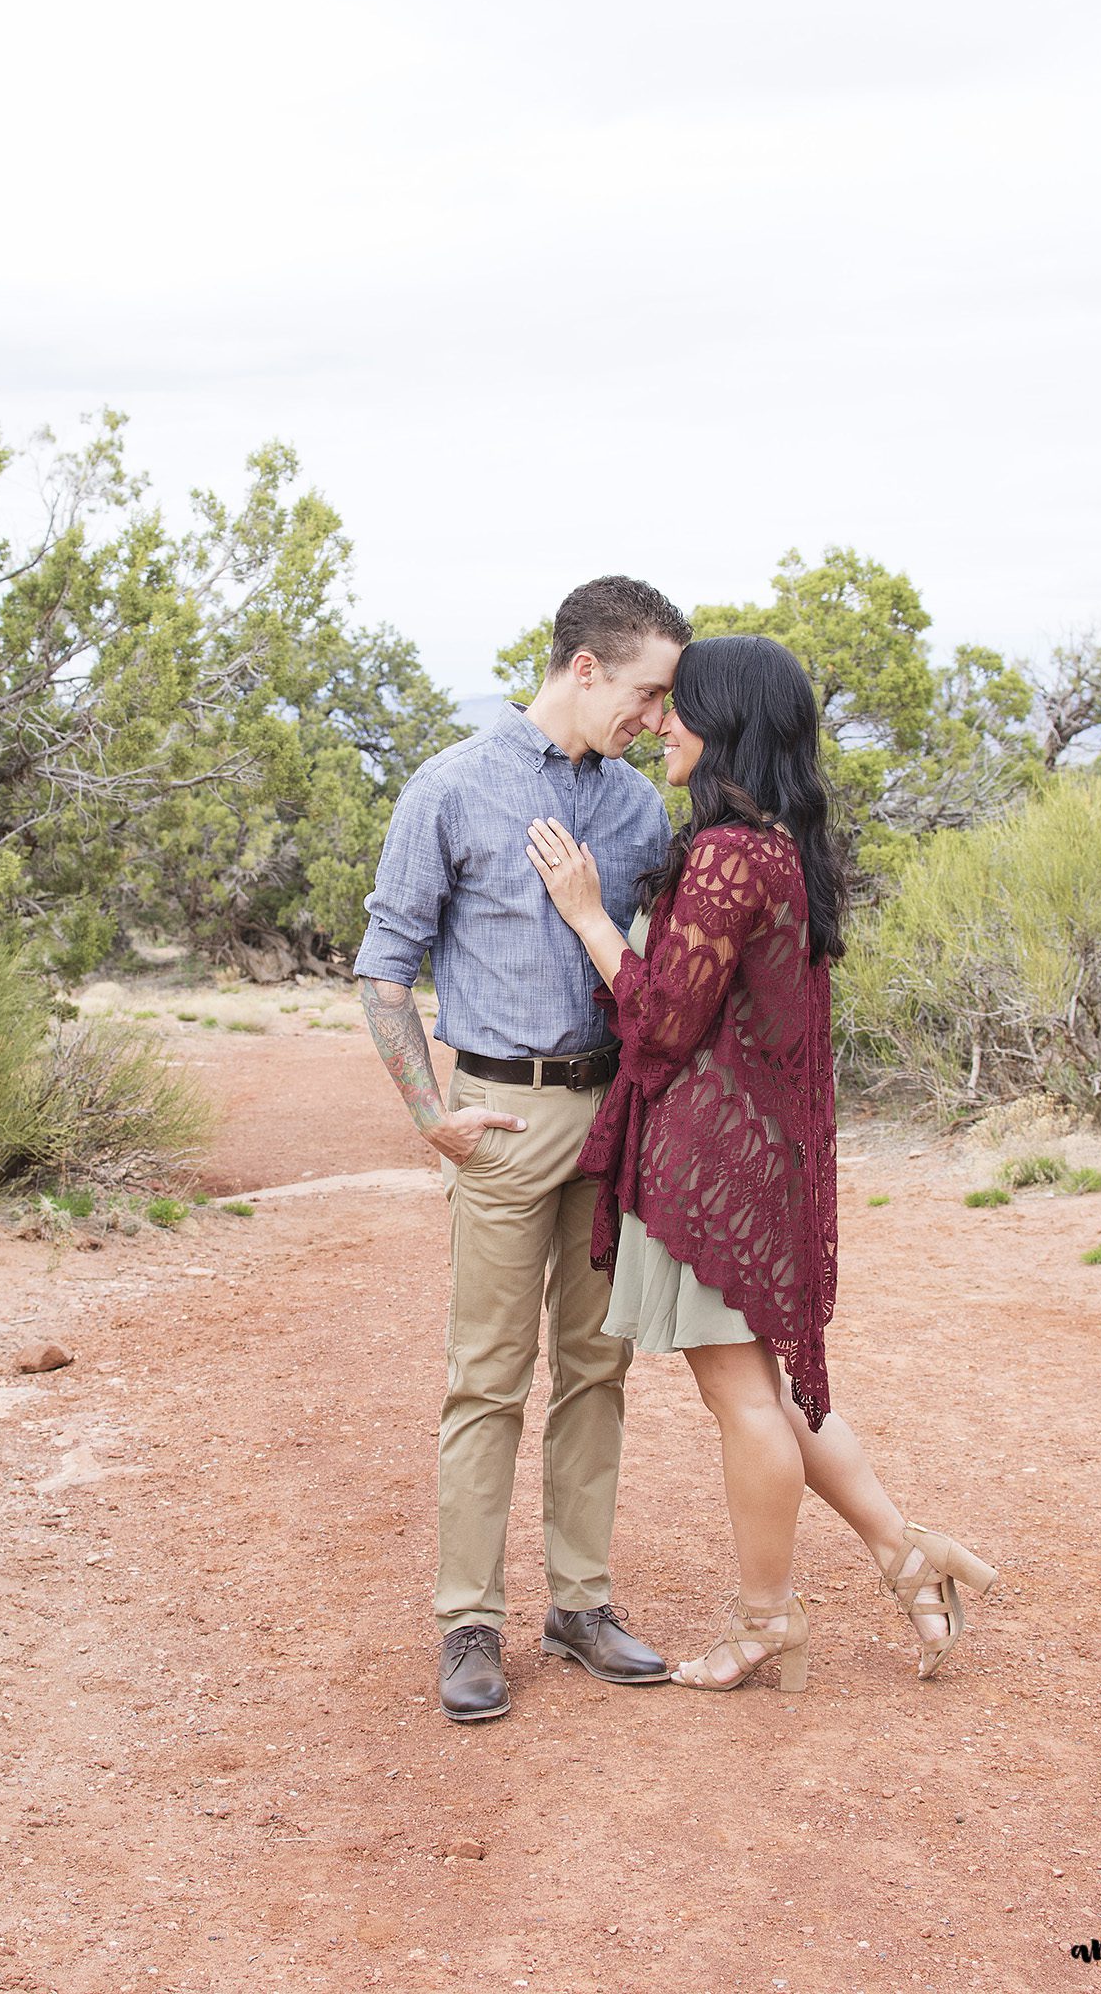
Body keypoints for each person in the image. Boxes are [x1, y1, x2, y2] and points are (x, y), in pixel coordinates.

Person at [526, 633, 998, 1695]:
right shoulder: (781, 845)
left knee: (742, 1401)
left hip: (711, 1169)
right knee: (770, 1396)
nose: (659, 724)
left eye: (679, 707)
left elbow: (659, 1021)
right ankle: (902, 1551)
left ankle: (763, 1623)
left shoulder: (734, 852)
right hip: (752, 1160)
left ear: (728, 721)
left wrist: (589, 915)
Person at [355, 576, 689, 1722]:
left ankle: (581, 1604)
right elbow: (383, 967)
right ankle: (470, 1623)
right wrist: (427, 1115)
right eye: (646, 692)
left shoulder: (641, 812)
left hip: (613, 1116)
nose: (654, 717)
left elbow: (651, 973)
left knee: (597, 1368)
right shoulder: (449, 787)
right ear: (584, 667)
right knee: (487, 1378)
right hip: (498, 1116)